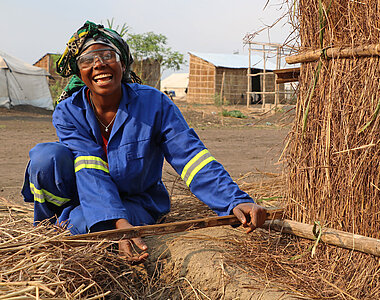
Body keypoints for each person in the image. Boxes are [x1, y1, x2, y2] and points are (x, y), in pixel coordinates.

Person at [21, 21, 267, 262]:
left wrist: (234, 200)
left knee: (82, 223)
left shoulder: (154, 104)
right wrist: (117, 223)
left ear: (123, 63)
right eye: (87, 60)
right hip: (86, 194)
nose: (98, 64)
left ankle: (72, 221)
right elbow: (89, 167)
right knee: (46, 158)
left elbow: (191, 157)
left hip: (136, 201)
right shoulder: (68, 111)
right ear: (79, 72)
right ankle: (46, 227)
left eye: (107, 55)